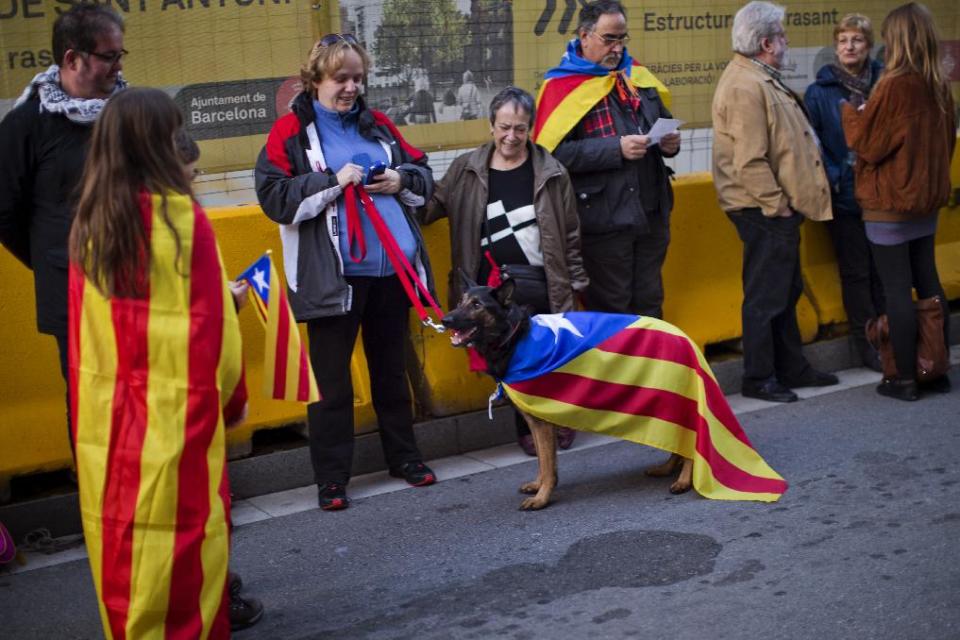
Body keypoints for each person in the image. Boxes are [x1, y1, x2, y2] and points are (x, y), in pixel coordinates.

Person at [68, 87, 250, 638]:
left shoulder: (87, 228)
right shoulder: (183, 222)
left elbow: (84, 342)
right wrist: (234, 401)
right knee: (188, 552)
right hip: (177, 422)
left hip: (107, 428)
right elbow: (214, 333)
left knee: (124, 553)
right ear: (156, 145)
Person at [255, 34, 438, 510]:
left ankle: (405, 458)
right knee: (332, 385)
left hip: (391, 272)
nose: (352, 87)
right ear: (315, 79)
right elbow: (275, 198)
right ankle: (332, 479)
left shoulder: (378, 124)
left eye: (358, 77)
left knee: (392, 372)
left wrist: (401, 179)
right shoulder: (289, 134)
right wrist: (331, 182)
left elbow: (423, 173)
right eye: (341, 78)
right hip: (333, 278)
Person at [422, 86, 589, 455]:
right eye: (504, 127)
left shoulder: (551, 170)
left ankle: (560, 418)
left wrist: (576, 282)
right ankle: (528, 426)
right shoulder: (466, 168)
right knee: (511, 360)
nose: (511, 137)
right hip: (491, 291)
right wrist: (405, 183)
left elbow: (571, 233)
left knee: (549, 356)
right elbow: (431, 207)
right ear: (492, 125)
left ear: (531, 129)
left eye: (520, 128)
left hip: (541, 282)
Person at [0, 3, 127, 444]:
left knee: (144, 393)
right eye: (109, 56)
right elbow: (5, 213)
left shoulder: (131, 111)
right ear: (72, 59)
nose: (118, 65)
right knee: (91, 403)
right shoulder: (26, 125)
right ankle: (100, 507)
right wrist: (53, 256)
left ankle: (151, 502)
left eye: (119, 55)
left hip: (139, 282)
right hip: (71, 288)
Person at [711, 1, 840, 403]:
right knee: (767, 294)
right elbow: (749, 159)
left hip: (770, 205)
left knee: (785, 289)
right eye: (782, 37)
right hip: (761, 207)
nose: (786, 43)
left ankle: (791, 368)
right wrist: (777, 204)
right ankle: (759, 377)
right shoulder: (746, 84)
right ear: (766, 43)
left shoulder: (758, 76)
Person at [534, 0, 680, 319]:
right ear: (585, 36)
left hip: (651, 213)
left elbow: (663, 120)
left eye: (622, 38)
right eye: (609, 39)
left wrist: (670, 143)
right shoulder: (560, 85)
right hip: (603, 222)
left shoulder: (636, 74)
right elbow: (551, 155)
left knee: (650, 304)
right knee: (613, 311)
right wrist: (616, 149)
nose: (617, 47)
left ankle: (652, 368)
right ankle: (618, 371)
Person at [174, 128, 264, 631]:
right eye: (190, 176)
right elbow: (203, 326)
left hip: (131, 418)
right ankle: (210, 601)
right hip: (188, 403)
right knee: (202, 515)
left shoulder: (98, 225)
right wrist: (233, 403)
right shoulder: (183, 226)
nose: (196, 184)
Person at [841, 2, 955, 401]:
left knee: (895, 290)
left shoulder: (894, 85)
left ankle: (903, 378)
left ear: (899, 39)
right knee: (928, 283)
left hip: (889, 202)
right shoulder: (938, 84)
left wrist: (851, 113)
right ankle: (936, 368)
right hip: (927, 202)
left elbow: (868, 146)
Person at [804, 14, 885, 372]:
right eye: (843, 41)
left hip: (885, 194)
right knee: (856, 273)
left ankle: (892, 337)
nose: (849, 47)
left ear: (869, 46)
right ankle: (867, 345)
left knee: (885, 271)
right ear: (835, 47)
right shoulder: (819, 92)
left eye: (857, 40)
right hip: (846, 196)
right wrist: (838, 175)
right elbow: (814, 145)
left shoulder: (885, 84)